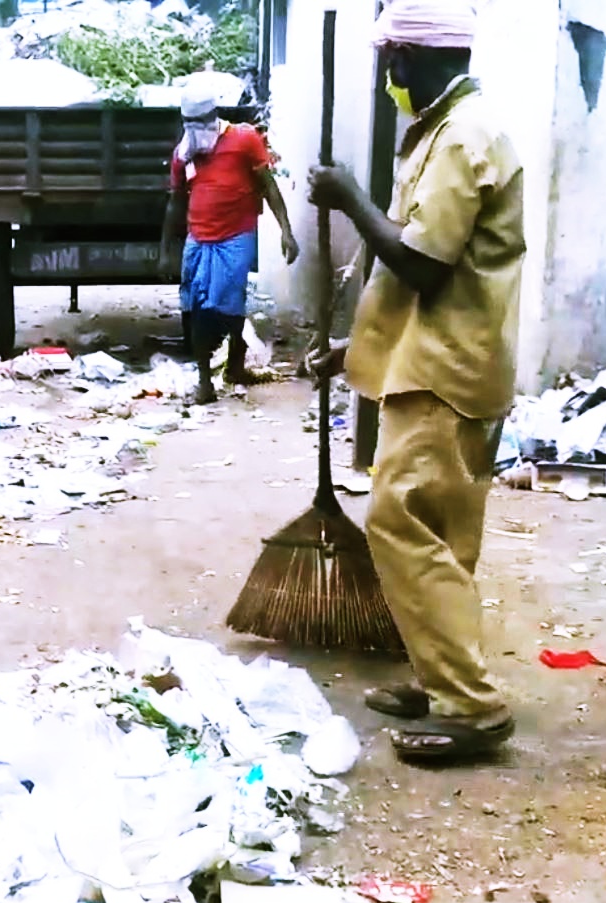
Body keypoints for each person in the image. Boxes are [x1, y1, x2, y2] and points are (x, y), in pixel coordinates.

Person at [307, 0, 526, 763]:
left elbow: (421, 262)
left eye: (394, 59)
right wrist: (352, 348)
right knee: (445, 534)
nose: (389, 74)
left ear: (419, 56)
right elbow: (421, 269)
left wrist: (346, 198)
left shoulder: (463, 137)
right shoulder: (445, 130)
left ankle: (469, 703)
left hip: (445, 370)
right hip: (446, 357)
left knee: (401, 525)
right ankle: (440, 676)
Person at [162, 76, 299, 405]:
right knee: (193, 307)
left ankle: (235, 365)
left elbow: (268, 186)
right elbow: (176, 201)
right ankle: (204, 380)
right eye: (189, 123)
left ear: (213, 117)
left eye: (199, 122)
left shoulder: (244, 140)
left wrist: (286, 231)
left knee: (228, 306)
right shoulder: (185, 153)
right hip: (199, 237)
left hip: (236, 235)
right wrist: (166, 248)